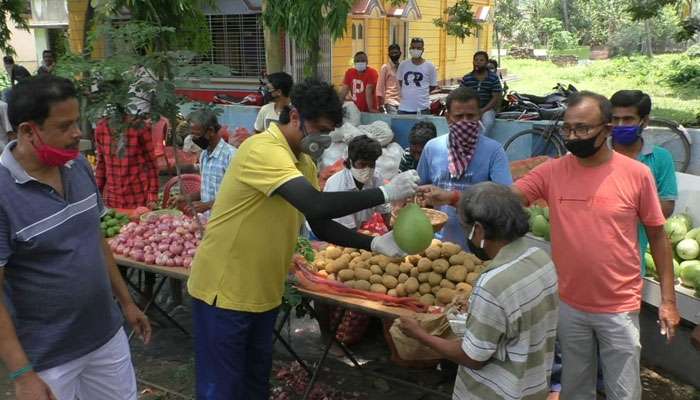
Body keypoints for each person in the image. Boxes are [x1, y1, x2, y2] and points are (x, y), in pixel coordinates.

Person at [186, 79, 420, 399]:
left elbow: (320, 224)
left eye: (329, 131)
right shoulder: (262, 149)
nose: (322, 139)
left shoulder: (303, 164)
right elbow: (315, 203)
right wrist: (385, 192)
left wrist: (373, 244)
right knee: (223, 389)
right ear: (295, 116)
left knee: (255, 384)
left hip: (262, 293)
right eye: (318, 128)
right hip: (224, 291)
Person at [512, 91, 680, 400]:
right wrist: (454, 197)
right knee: (576, 387)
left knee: (623, 391)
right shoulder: (553, 171)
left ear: (606, 129)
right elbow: (509, 198)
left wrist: (668, 301)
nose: (573, 136)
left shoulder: (637, 174)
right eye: (568, 128)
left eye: (583, 129)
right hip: (570, 303)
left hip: (619, 306)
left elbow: (658, 235)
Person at [0, 75, 151, 400]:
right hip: (48, 355)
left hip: (105, 336)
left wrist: (126, 302)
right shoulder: (2, 194)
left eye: (77, 121)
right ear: (28, 131)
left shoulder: (78, 166)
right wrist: (22, 373)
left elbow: (94, 238)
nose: (78, 133)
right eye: (65, 126)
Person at [402, 182, 559, 400]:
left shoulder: (493, 284)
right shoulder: (542, 258)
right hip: (532, 387)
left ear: (479, 229)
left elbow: (472, 357)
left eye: (465, 226)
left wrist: (420, 335)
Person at [417, 87, 512, 249]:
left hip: (478, 245)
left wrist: (452, 198)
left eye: (471, 116)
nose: (465, 122)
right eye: (459, 117)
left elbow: (505, 200)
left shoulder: (494, 151)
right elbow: (419, 189)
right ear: (447, 117)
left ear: (480, 116)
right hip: (437, 244)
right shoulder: (432, 148)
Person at [610, 90, 677, 275]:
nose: (620, 125)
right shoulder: (596, 154)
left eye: (628, 119)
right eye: (615, 119)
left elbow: (667, 205)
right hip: (590, 258)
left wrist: (620, 215)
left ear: (644, 121)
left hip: (631, 261)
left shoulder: (660, 158)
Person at [174, 109, 236, 215]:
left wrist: (207, 205)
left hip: (225, 220)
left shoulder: (231, 156)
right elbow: (206, 191)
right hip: (207, 221)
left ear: (210, 131)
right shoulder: (204, 155)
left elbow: (237, 195)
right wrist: (187, 197)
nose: (193, 139)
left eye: (196, 135)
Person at [324, 135, 392, 229]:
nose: (367, 169)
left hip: (355, 228)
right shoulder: (338, 186)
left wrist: (390, 229)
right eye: (362, 164)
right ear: (350, 162)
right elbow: (345, 229)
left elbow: (384, 208)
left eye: (371, 164)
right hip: (328, 232)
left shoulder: (376, 178)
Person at [460, 51, 503, 135]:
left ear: (486, 62)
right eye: (476, 60)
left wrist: (482, 110)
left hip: (488, 109)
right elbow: (461, 95)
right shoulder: (467, 78)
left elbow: (495, 97)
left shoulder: (493, 78)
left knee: (487, 122)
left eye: (481, 60)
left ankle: (482, 144)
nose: (478, 62)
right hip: (470, 108)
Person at [397, 38, 438, 114]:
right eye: (413, 48)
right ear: (409, 48)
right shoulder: (403, 64)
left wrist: (422, 92)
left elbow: (433, 86)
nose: (415, 50)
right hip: (404, 108)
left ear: (423, 49)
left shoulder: (430, 66)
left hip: (422, 108)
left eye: (418, 48)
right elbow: (400, 82)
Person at [376, 44, 402, 114]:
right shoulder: (385, 67)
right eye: (392, 53)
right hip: (390, 101)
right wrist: (380, 104)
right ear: (389, 54)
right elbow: (380, 86)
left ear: (400, 53)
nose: (394, 55)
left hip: (402, 102)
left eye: (396, 53)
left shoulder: (403, 67)